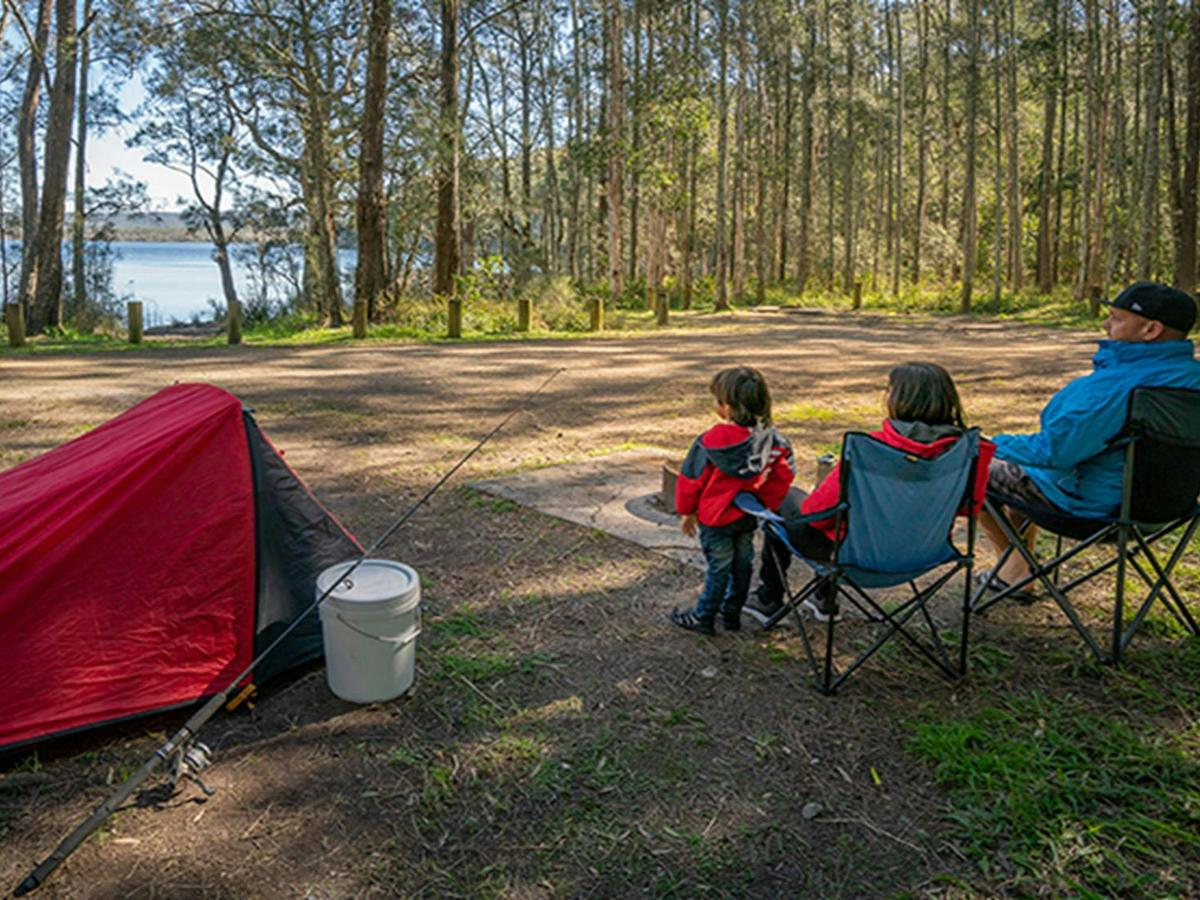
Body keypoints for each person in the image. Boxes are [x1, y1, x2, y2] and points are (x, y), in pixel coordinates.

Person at [980, 281, 1200, 597]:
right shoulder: (1192, 379)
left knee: (977, 464)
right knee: (1023, 475)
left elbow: (1055, 452)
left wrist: (990, 442)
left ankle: (1017, 567)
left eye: (1116, 318)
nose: (1105, 324)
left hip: (1092, 510)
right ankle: (1019, 568)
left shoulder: (1115, 388)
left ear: (1150, 330)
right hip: (1172, 509)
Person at [745, 362, 994, 624]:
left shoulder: (872, 450)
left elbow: (816, 515)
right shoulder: (968, 451)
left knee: (787, 499)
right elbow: (969, 507)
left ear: (899, 399)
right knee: (840, 516)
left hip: (855, 556)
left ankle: (769, 598)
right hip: (924, 552)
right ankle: (822, 596)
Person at [670, 366, 795, 636]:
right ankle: (731, 615)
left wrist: (687, 511)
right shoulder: (773, 440)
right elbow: (783, 475)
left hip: (715, 518)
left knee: (718, 569)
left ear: (727, 407)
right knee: (742, 567)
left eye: (717, 400)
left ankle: (703, 616)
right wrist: (764, 503)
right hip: (746, 515)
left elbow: (691, 479)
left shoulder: (712, 441)